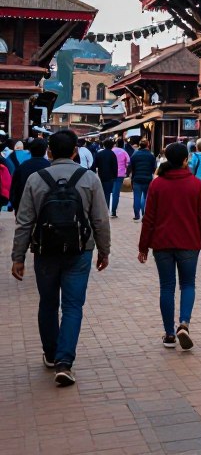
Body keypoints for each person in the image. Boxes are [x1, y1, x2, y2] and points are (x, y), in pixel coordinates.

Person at [10, 129, 111, 387]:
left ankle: (51, 354)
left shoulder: (36, 179)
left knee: (48, 303)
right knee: (73, 306)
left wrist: (18, 256)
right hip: (80, 251)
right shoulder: (89, 178)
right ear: (76, 151)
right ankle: (65, 362)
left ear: (49, 152)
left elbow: (24, 222)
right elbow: (100, 218)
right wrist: (104, 249)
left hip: (45, 251)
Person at [138, 142, 201, 351]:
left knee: (167, 287)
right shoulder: (196, 184)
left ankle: (169, 334)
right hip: (189, 243)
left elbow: (148, 219)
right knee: (188, 285)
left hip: (162, 244)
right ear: (185, 160)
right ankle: (184, 323)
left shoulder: (157, 184)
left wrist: (143, 246)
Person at [10, 138, 50, 215]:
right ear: (45, 150)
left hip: (24, 208)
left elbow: (14, 189)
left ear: (30, 150)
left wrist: (16, 207)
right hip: (45, 209)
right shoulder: (50, 166)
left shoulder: (22, 167)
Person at [129, 138, 158, 221]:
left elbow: (132, 167)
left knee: (136, 197)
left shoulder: (135, 155)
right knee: (145, 197)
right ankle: (144, 214)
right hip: (147, 179)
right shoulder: (151, 156)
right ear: (147, 145)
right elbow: (154, 168)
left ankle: (136, 214)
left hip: (137, 178)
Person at [92, 138, 118, 212]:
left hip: (101, 176)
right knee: (107, 194)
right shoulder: (112, 154)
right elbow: (115, 166)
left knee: (100, 193)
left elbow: (94, 165)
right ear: (112, 146)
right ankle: (106, 209)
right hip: (110, 177)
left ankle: (100, 208)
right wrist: (115, 176)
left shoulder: (99, 154)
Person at [110, 139, 130, 217]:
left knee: (108, 192)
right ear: (123, 144)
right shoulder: (124, 152)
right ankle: (113, 211)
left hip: (110, 174)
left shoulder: (112, 151)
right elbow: (128, 162)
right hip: (120, 174)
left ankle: (106, 209)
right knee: (116, 193)